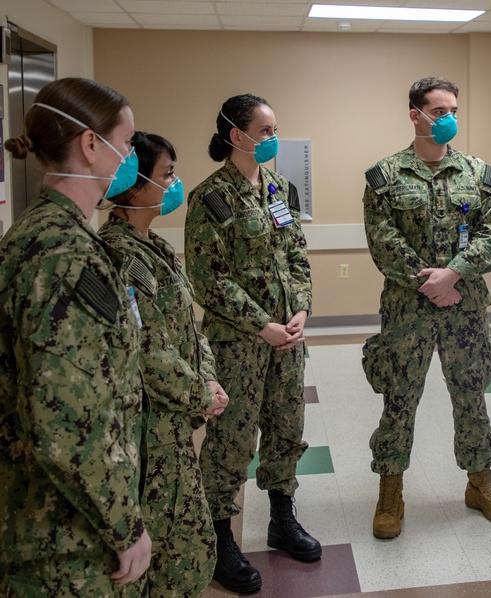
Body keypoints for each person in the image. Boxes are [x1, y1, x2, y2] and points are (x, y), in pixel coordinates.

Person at [0, 77, 151, 596]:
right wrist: (124, 526)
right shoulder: (63, 255)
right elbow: (66, 418)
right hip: (62, 536)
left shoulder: (48, 233)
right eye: (127, 142)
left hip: (53, 519)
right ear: (92, 145)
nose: (130, 157)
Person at [361, 76, 491, 540]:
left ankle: (480, 482)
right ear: (415, 115)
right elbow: (382, 240)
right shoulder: (385, 176)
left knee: (471, 395)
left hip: (464, 307)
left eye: (453, 110)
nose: (448, 119)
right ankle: (391, 490)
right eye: (439, 111)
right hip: (407, 310)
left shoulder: (478, 173)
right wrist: (430, 282)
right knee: (399, 400)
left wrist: (454, 275)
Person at [185, 93, 317, 595]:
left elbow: (297, 256)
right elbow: (208, 279)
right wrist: (262, 324)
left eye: (275, 130)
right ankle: (218, 539)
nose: (272, 139)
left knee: (287, 427)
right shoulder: (210, 198)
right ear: (235, 136)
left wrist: (301, 308)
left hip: (288, 338)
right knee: (231, 442)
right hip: (239, 343)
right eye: (264, 131)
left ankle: (282, 519)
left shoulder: (280, 189)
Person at [98, 131, 229, 597]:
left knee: (189, 549)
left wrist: (208, 376)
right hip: (148, 435)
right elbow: (149, 350)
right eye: (167, 174)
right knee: (165, 557)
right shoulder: (119, 253)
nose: (175, 184)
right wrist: (201, 392)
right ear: (135, 184)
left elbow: (189, 330)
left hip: (173, 430)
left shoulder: (151, 246)